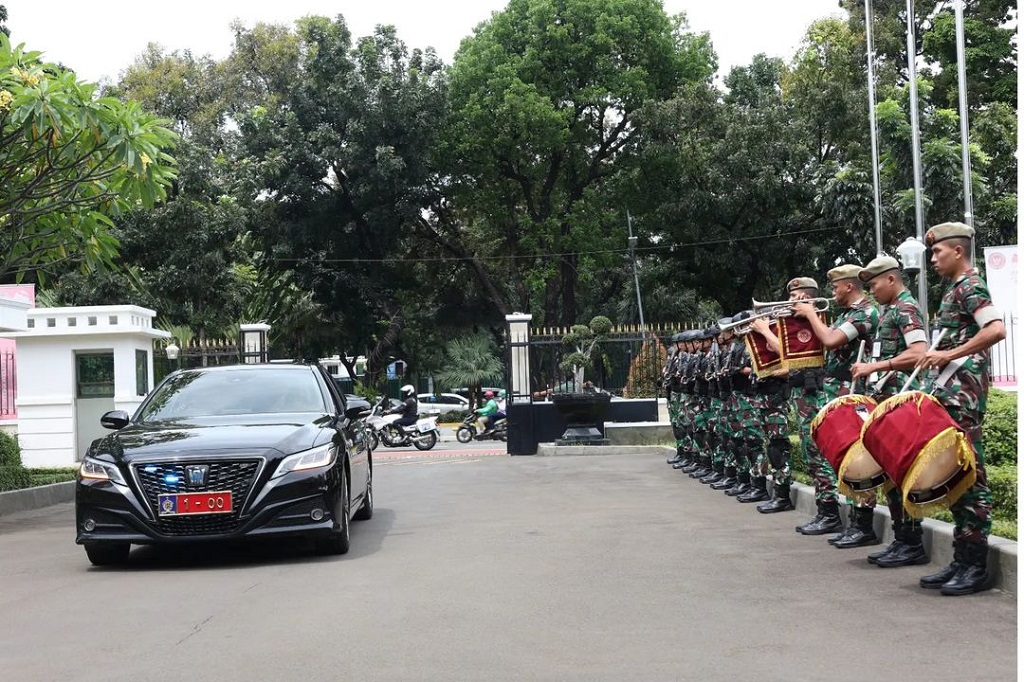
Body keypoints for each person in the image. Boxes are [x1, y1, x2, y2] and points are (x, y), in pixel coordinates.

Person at [915, 222, 1005, 595]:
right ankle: (960, 557)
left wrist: (950, 354)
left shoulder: (971, 285)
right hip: (950, 397)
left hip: (964, 399)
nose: (933, 258)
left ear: (957, 251)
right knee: (956, 476)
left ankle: (975, 565)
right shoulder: (954, 289)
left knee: (971, 477)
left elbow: (997, 329)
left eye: (938, 252)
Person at [849, 256, 929, 565]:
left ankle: (912, 543)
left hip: (900, 403)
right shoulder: (890, 311)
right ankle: (903, 539)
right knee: (893, 474)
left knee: (903, 472)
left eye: (874, 285)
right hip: (887, 403)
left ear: (892, 280)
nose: (872, 291)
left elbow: (919, 353)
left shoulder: (906, 309)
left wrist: (877, 365)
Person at [792, 264, 879, 544]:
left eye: (835, 287)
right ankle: (841, 517)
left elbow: (830, 340)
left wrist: (811, 314)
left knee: (858, 457)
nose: (833, 292)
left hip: (852, 392)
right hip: (837, 391)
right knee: (839, 455)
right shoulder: (848, 314)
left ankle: (863, 525)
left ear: (849, 286)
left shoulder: (865, 312)